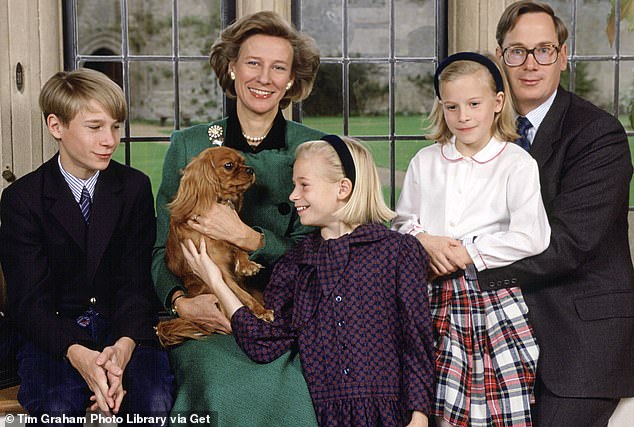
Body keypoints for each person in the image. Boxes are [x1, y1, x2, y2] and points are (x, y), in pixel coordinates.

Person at [181, 135, 435, 427]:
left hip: (391, 415)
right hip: (322, 417)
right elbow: (265, 344)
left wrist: (419, 416)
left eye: (304, 185)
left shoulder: (399, 252)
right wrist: (216, 283)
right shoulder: (295, 265)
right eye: (293, 185)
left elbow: (416, 342)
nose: (292, 195)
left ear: (343, 188)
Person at [152, 10, 326, 426]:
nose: (264, 78)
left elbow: (320, 255)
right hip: (207, 317)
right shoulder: (190, 145)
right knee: (222, 389)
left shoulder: (315, 147)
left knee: (303, 390)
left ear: (290, 81)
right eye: (252, 63)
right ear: (231, 69)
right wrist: (181, 303)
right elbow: (161, 249)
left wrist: (248, 237)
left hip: (287, 316)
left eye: (278, 67)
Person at [469, 2, 634, 426]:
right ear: (501, 56)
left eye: (543, 50)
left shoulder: (598, 134)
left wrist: (470, 267)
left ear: (562, 55)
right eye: (517, 51)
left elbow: (567, 244)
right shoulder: (480, 130)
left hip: (580, 346)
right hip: (494, 335)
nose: (530, 63)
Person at [0, 68, 173, 425]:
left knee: (152, 400)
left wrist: (123, 350)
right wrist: (80, 356)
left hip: (125, 330)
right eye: (95, 127)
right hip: (54, 339)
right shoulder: (22, 199)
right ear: (56, 126)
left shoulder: (134, 188)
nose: (109, 140)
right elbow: (28, 302)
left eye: (115, 126)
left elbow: (137, 283)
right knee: (61, 407)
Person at [393, 52, 551, 427]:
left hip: (490, 298)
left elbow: (533, 235)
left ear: (497, 104)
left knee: (492, 403)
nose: (463, 115)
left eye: (474, 104)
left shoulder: (516, 163)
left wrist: (468, 250)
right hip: (430, 297)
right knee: (434, 398)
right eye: (452, 106)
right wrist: (425, 240)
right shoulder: (426, 162)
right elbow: (401, 221)